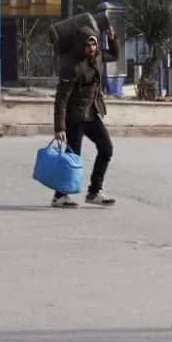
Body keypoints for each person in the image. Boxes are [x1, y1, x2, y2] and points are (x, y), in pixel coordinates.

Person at [51, 24, 119, 208]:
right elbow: (61, 99)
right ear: (81, 45)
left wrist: (112, 39)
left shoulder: (97, 57)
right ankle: (60, 196)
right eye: (88, 46)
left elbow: (114, 55)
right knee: (73, 157)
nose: (92, 49)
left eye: (94, 45)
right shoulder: (71, 66)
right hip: (74, 117)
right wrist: (59, 127)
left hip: (92, 113)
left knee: (106, 148)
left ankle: (94, 191)